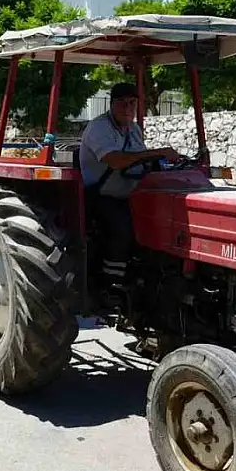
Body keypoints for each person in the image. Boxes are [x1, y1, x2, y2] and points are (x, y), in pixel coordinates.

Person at [78, 82, 181, 305]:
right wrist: (157, 152)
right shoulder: (99, 128)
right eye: (122, 103)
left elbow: (140, 160)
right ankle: (110, 285)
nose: (127, 108)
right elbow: (115, 161)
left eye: (132, 103)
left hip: (132, 193)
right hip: (101, 196)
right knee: (124, 227)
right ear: (112, 104)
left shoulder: (134, 130)